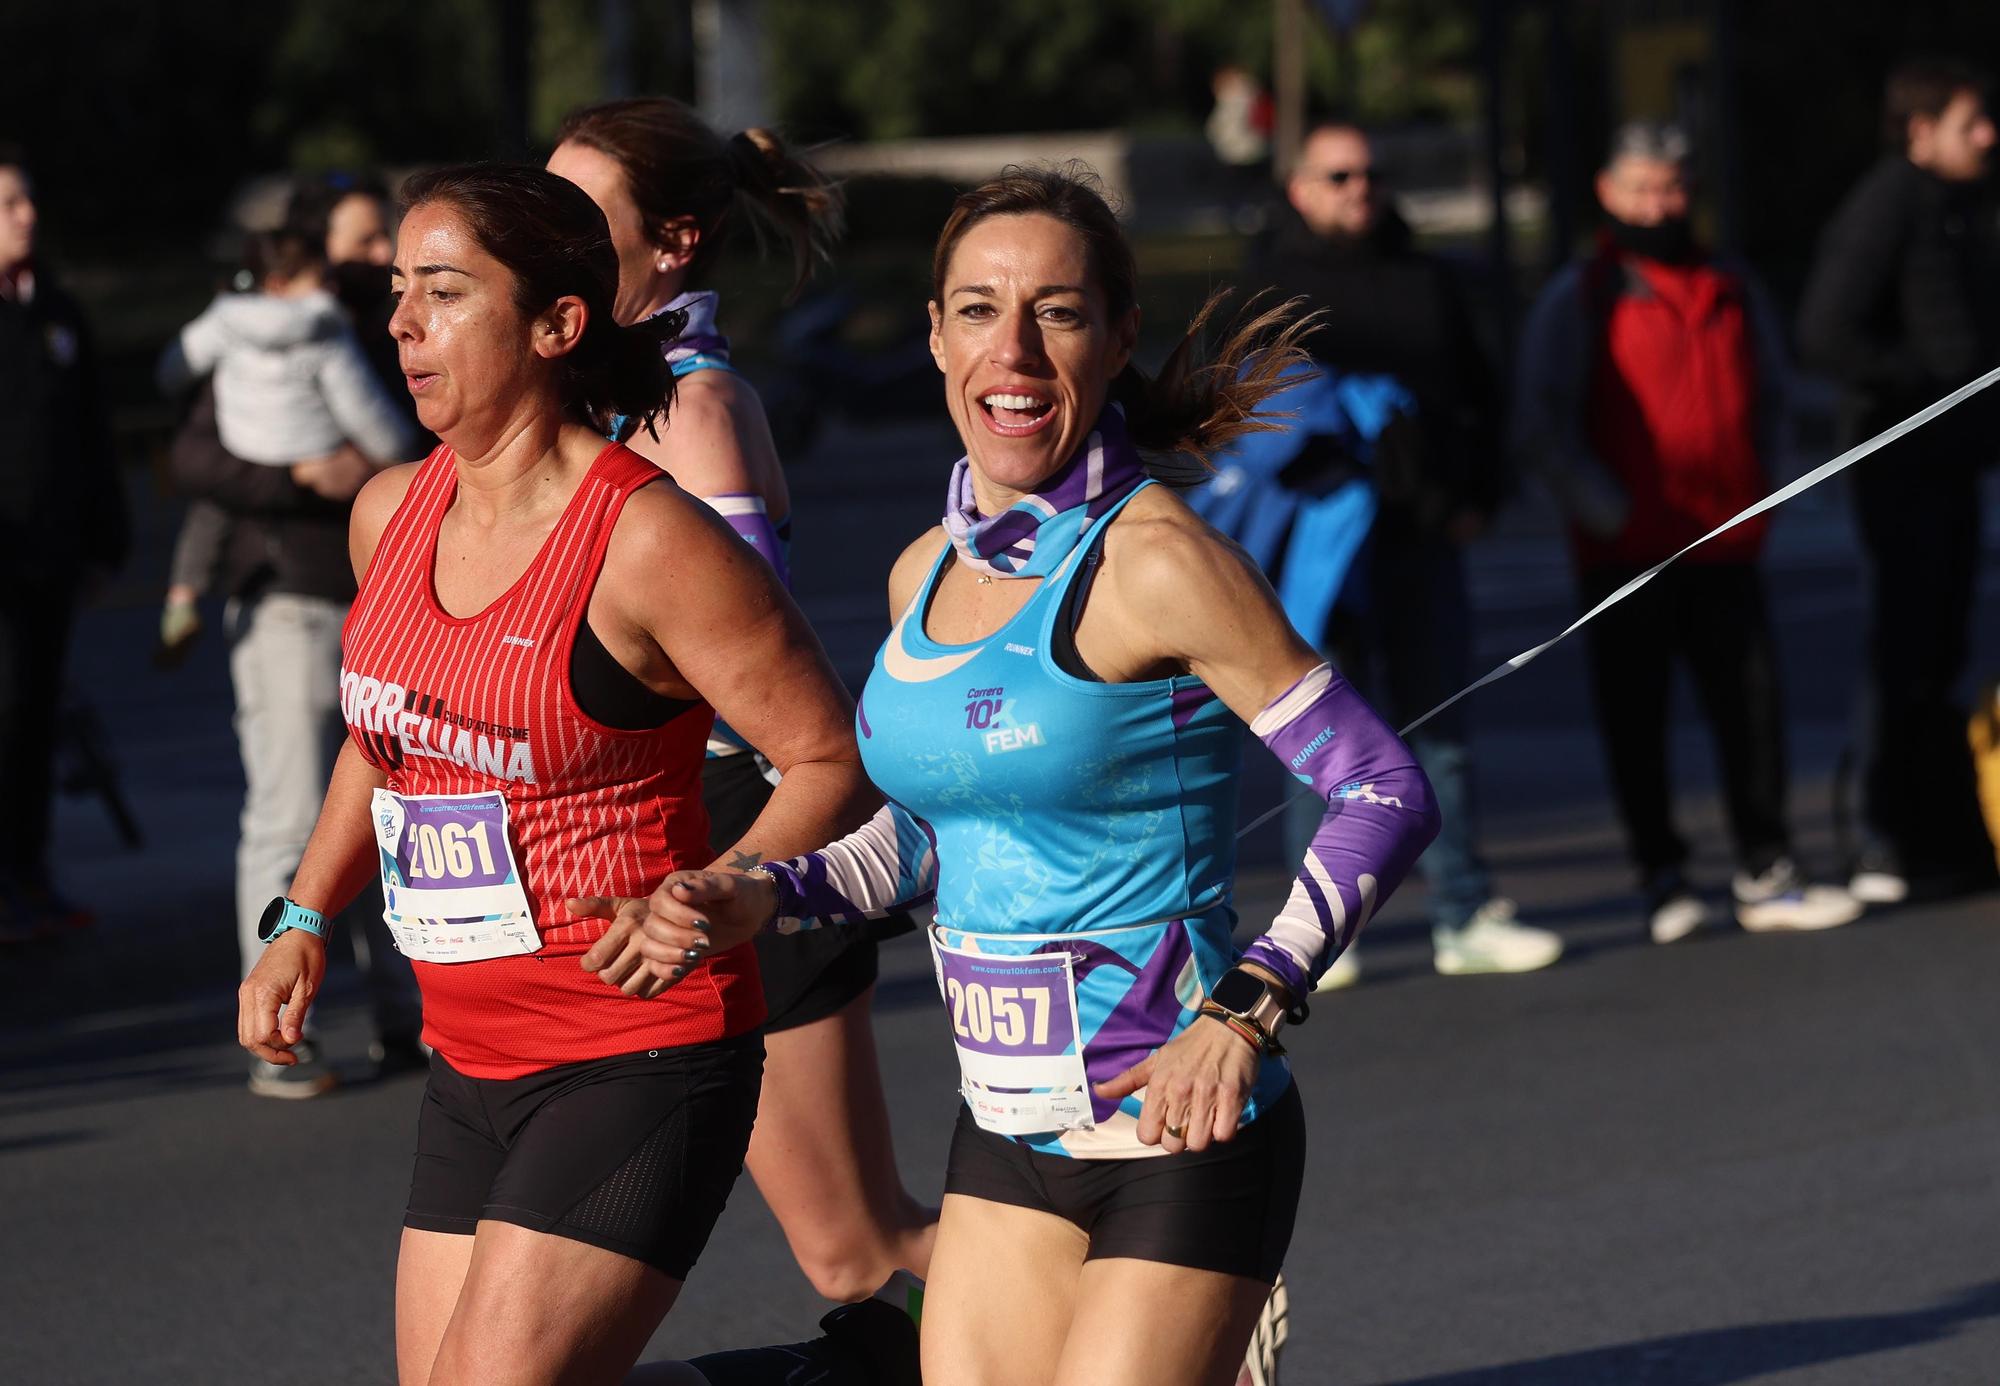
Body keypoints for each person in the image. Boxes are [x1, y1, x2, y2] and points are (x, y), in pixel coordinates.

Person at [628, 164, 1442, 1386]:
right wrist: (766, 893)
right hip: (1006, 1130)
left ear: (1116, 338)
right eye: (975, 309)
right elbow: (931, 835)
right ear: (935, 337)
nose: (1010, 350)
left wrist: (1248, 1009)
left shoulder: (1158, 562)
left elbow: (1383, 790)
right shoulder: (922, 577)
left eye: (1055, 312)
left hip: (1177, 1131)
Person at [234, 162, 876, 1386]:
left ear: (556, 324)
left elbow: (827, 753)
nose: (402, 323)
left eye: (444, 292)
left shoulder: (647, 538)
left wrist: (724, 884)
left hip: (632, 1048)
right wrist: (306, 914)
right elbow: (384, 736)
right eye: (398, 291)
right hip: (467, 1058)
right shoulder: (388, 512)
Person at [546, 98, 939, 1315]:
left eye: (576, 216)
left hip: (735, 839)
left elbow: (742, 680)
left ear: (670, 242)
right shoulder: (594, 396)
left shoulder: (694, 411)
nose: (546, 235)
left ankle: (1166, 1312)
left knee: (855, 1247)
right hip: (618, 842)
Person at [1514, 121, 1861, 943]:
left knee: (1753, 707)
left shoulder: (1731, 285)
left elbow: (1771, 396)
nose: (1657, 203)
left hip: (1727, 543)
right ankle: (1662, 875)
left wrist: (1768, 491)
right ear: (1607, 192)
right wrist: (1607, 509)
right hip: (1626, 553)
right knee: (1635, 718)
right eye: (1640, 187)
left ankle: (1766, 865)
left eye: (1670, 186)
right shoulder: (1582, 294)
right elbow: (1541, 424)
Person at [1244, 119, 1563, 983]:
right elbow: (1243, 426)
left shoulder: (1427, 278)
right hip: (1322, 550)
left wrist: (1478, 498)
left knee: (1442, 729)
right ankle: (1319, 934)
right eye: (1340, 176)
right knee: (1320, 740)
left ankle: (1461, 909)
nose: (1361, 190)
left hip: (1423, 536)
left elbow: (1480, 394)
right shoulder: (1268, 286)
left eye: (1371, 175)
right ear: (1301, 188)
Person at [169, 174, 428, 1096]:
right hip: (293, 595)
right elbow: (196, 453)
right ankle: (278, 1029)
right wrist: (314, 477)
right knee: (287, 820)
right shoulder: (281, 325)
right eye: (361, 245)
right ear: (318, 251)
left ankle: (406, 1018)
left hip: (386, 602)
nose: (376, 264)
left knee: (387, 817)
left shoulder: (390, 326)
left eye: (386, 249)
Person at [1797, 58, 2000, 903]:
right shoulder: (1887, 204)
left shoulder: (1958, 209)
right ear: (1919, 131)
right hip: (1900, 464)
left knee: (1939, 650)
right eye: (1969, 123)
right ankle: (1882, 835)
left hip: (1952, 466)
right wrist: (1924, 384)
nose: (1987, 136)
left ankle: (1936, 830)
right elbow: (1826, 330)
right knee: (1901, 648)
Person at [156, 226, 418, 659]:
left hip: (242, 448)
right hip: (317, 453)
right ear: (282, 284)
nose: (330, 286)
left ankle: (181, 598)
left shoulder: (224, 323)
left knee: (210, 514)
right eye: (321, 278)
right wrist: (399, 453)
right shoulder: (325, 331)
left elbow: (172, 369)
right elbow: (367, 416)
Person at [0, 142, 129, 942]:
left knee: (35, 718)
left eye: (29, 200)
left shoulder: (53, 308)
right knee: (6, 713)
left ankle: (27, 873)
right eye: (10, 204)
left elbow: (88, 432)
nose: (29, 216)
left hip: (48, 557)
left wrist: (103, 539)